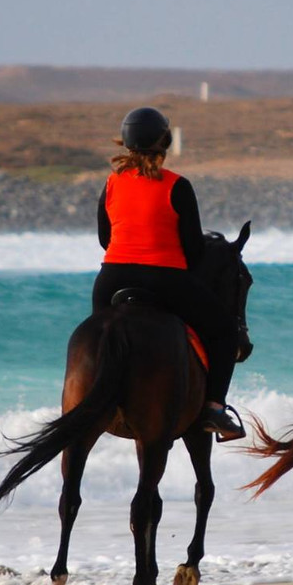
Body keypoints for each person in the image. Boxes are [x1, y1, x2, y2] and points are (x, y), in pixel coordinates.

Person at [92, 106, 244, 441]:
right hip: (163, 278)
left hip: (111, 279)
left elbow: (105, 239)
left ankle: (92, 400)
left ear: (126, 141)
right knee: (224, 331)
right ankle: (214, 409)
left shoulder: (112, 183)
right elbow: (193, 249)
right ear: (165, 143)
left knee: (96, 341)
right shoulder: (177, 185)